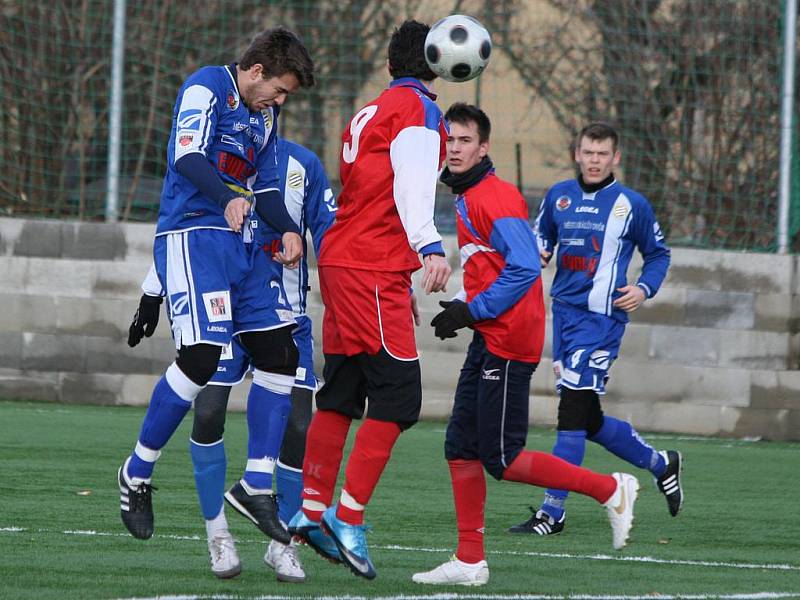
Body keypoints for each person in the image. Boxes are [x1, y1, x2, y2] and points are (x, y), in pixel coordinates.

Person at [411, 104, 640, 587]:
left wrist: (471, 311)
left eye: (464, 140)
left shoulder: (493, 196)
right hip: (490, 332)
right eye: (449, 139)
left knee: (503, 457)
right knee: (459, 446)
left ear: (483, 147)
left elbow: (523, 267)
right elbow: (494, 268)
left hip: (509, 340)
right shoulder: (467, 194)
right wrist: (461, 305)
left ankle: (609, 488)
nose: (454, 148)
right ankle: (470, 560)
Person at [117, 27, 315, 549]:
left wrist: (290, 227)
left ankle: (254, 484)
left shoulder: (266, 117)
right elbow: (186, 158)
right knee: (203, 356)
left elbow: (267, 189)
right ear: (255, 72)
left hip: (241, 243)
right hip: (193, 235)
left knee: (281, 354)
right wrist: (228, 194)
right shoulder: (206, 86)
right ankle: (136, 472)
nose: (281, 99)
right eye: (280, 89)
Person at [287, 20, 452, 581]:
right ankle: (347, 517)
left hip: (344, 259)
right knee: (400, 398)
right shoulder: (421, 112)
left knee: (342, 390)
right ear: (441, 68)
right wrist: (429, 246)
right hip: (370, 267)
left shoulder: (370, 110)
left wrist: (399, 277)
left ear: (389, 66)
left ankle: (311, 511)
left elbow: (370, 191)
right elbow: (409, 188)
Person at [128, 138, 336, 580]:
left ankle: (285, 543)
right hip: (222, 294)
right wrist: (153, 288)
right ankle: (216, 533)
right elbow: (185, 223)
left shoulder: (304, 164)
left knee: (299, 423)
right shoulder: (218, 161)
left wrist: (345, 310)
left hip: (283, 311)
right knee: (207, 410)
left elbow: (330, 235)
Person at [508, 121, 681, 537]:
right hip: (564, 318)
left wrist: (643, 287)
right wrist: (541, 253)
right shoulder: (558, 196)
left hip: (602, 322)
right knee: (589, 420)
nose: (594, 160)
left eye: (602, 154)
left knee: (570, 413)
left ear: (615, 158)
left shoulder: (631, 204)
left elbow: (658, 254)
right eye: (588, 152)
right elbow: (541, 238)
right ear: (577, 153)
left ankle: (553, 512)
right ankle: (662, 463)